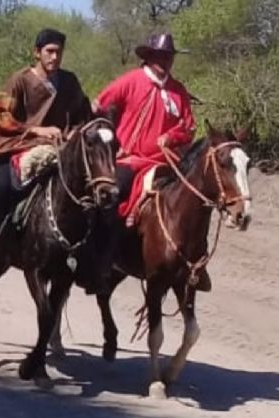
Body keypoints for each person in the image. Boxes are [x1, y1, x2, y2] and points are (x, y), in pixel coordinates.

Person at [0, 28, 92, 275]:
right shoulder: (19, 80)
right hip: (17, 144)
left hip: (60, 147)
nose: (54, 57)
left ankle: (90, 257)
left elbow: (83, 114)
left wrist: (75, 132)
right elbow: (1, 117)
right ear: (37, 53)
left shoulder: (70, 81)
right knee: (0, 186)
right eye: (49, 51)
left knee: (93, 188)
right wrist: (35, 130)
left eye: (59, 52)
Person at [93, 33, 210, 291]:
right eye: (159, 56)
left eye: (168, 56)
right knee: (113, 194)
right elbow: (99, 107)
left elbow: (188, 127)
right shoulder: (130, 81)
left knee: (195, 198)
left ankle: (196, 262)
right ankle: (103, 256)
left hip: (168, 160)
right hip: (131, 160)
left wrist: (172, 136)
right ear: (148, 57)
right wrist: (112, 142)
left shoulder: (178, 90)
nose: (164, 61)